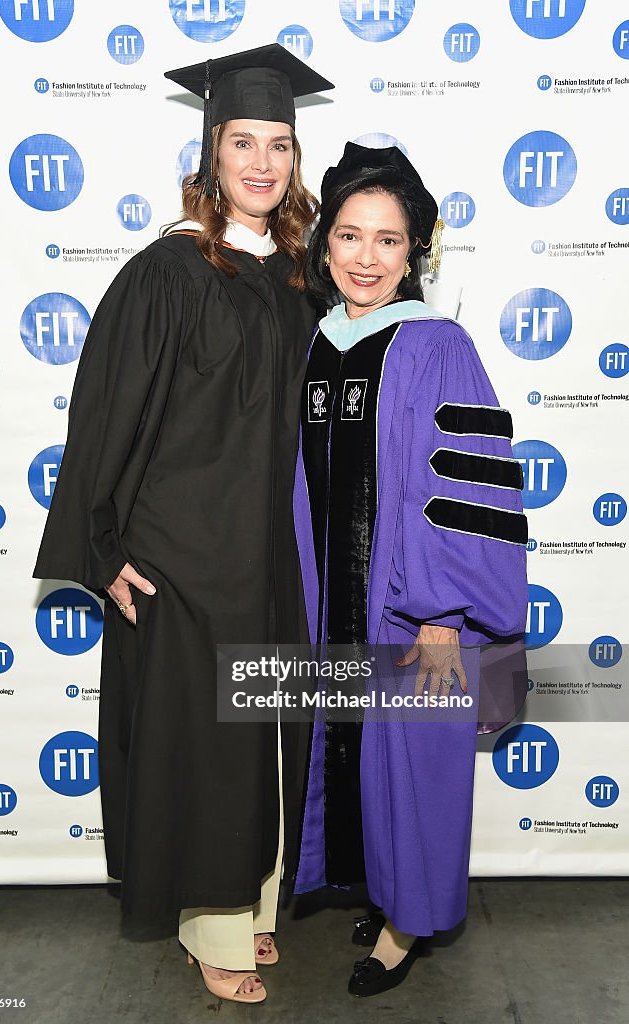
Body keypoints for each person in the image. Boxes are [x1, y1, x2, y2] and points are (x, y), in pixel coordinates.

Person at [33, 44, 333, 1004]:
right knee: (205, 744)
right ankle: (210, 929)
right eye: (241, 141)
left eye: (278, 144)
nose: (260, 162)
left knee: (269, 732)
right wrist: (103, 548)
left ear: (294, 160)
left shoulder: (299, 279)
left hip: (275, 553)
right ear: (210, 153)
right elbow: (106, 414)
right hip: (186, 559)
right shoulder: (168, 271)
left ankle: (252, 905)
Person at [292, 142, 528, 997]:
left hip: (413, 614)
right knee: (352, 759)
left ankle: (405, 925)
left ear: (414, 252)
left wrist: (441, 615)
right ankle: (379, 889)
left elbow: (461, 485)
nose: (365, 258)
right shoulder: (314, 346)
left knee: (416, 766)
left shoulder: (437, 346)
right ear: (324, 246)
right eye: (349, 237)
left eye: (387, 241)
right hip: (333, 607)